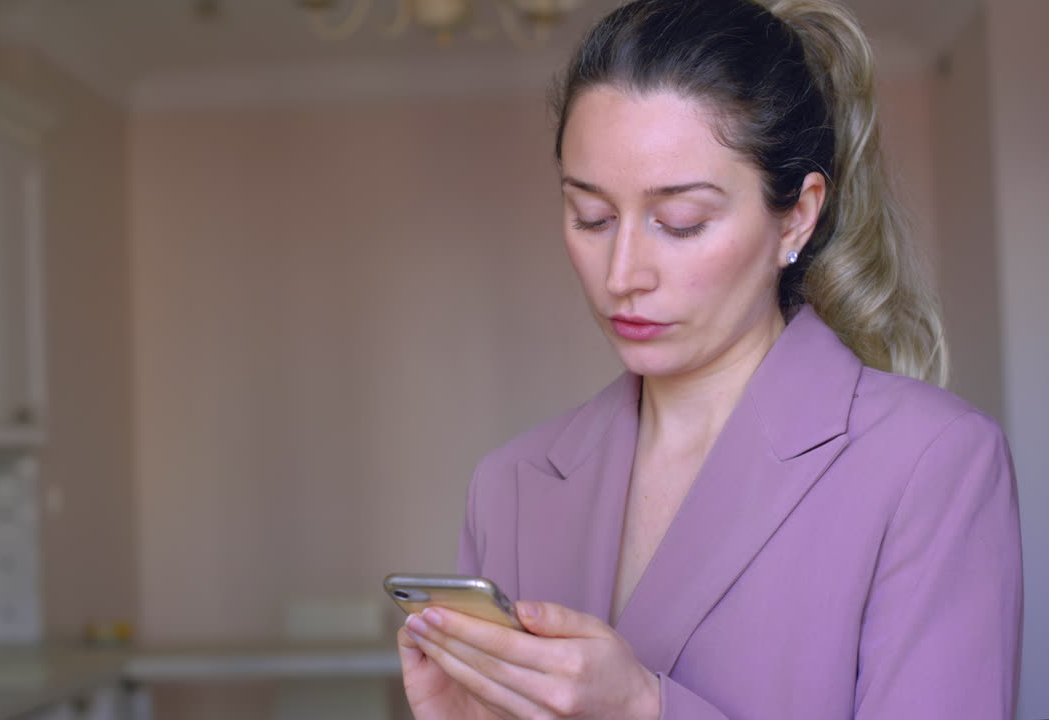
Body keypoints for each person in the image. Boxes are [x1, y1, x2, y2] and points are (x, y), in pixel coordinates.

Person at [395, 0, 1024, 718]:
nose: (622, 271)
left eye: (680, 222)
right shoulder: (507, 487)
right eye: (591, 217)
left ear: (797, 214)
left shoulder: (930, 464)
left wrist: (642, 708)